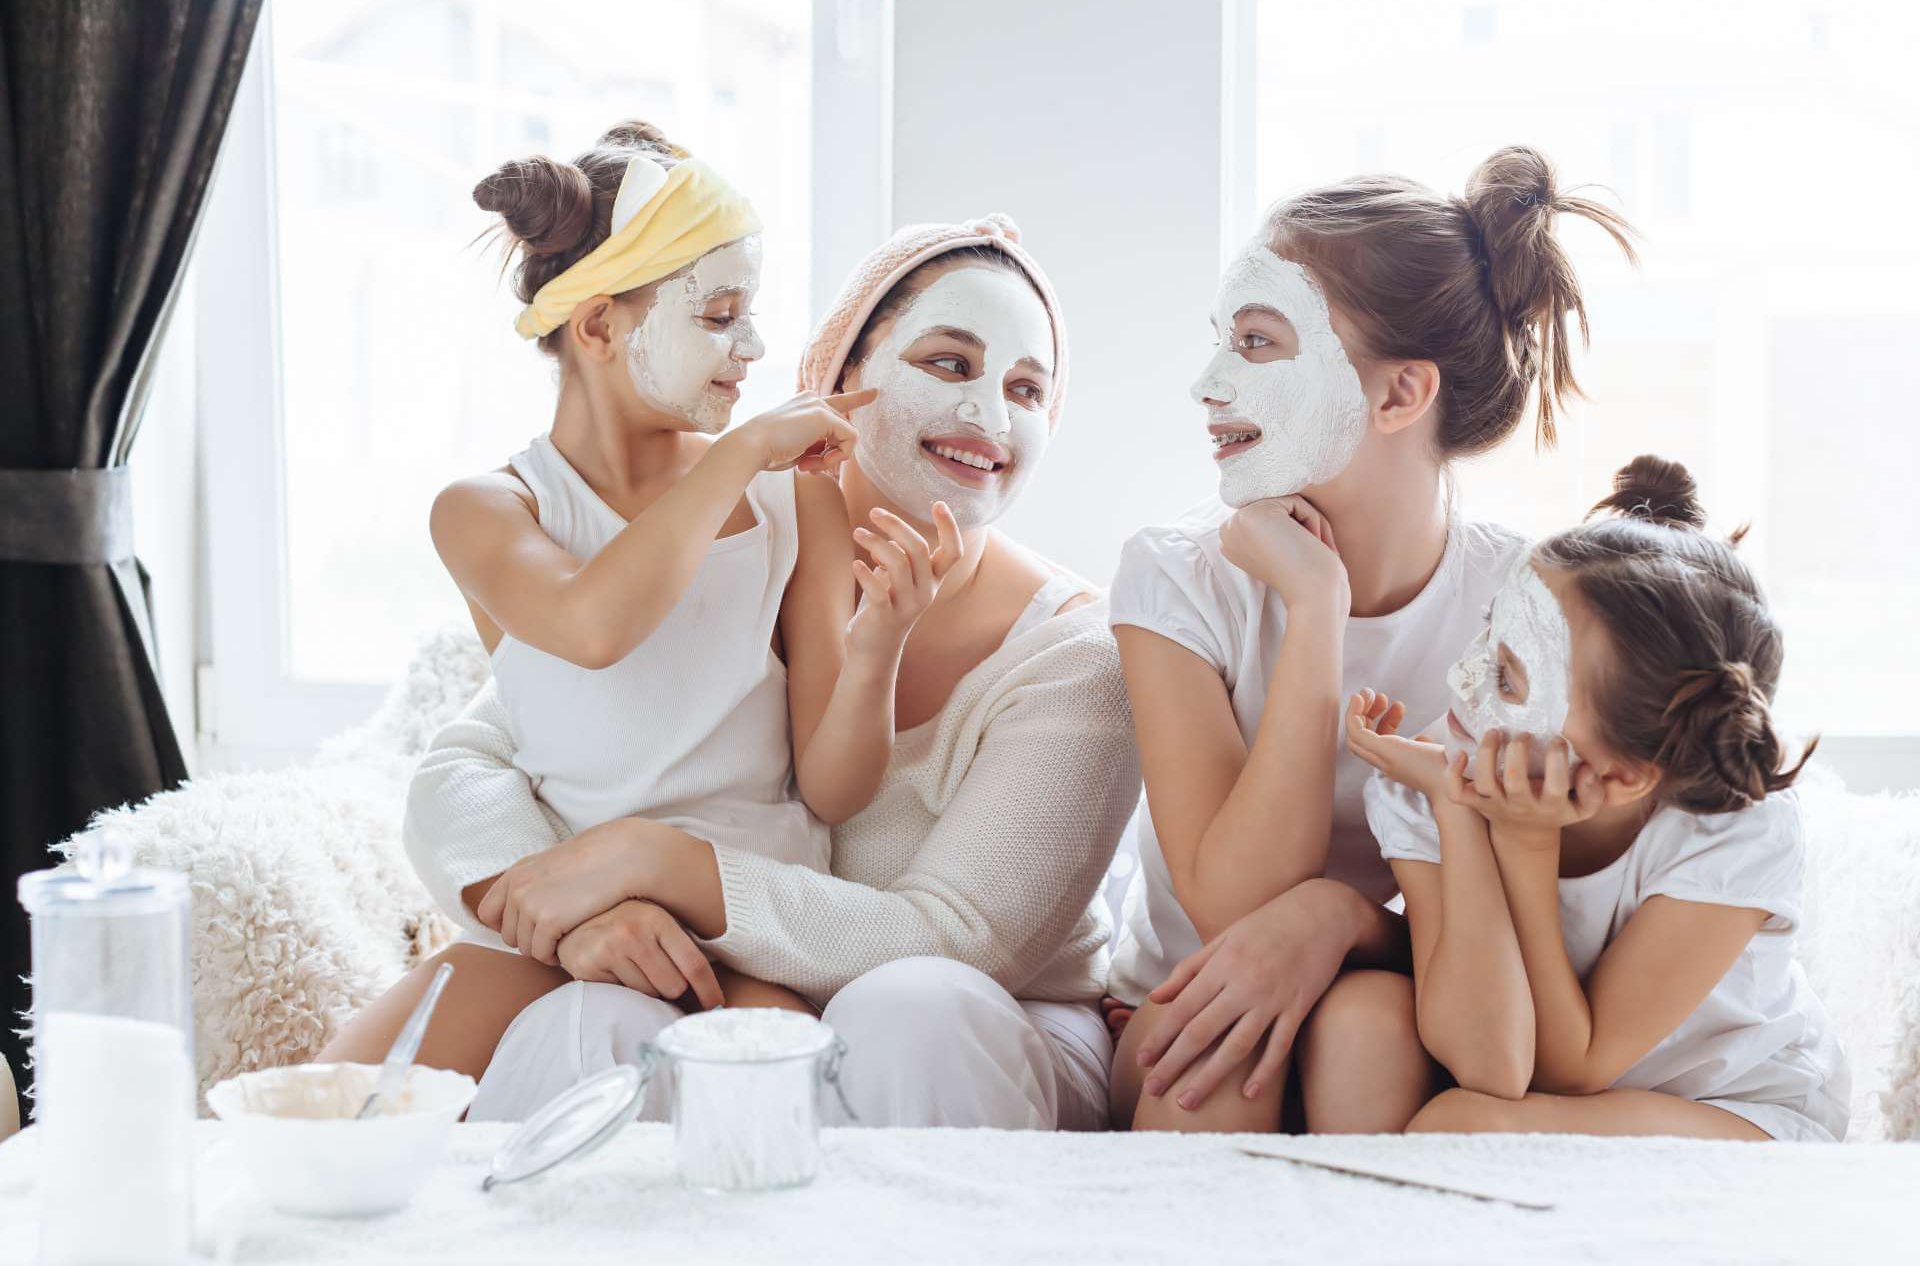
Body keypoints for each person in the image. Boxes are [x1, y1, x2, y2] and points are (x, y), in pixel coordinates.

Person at [405, 215, 1140, 1129]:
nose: (991, 417)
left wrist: (655, 861)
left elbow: (956, 942)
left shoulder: (1077, 656)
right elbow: (474, 760)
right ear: (833, 382)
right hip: (731, 996)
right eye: (950, 364)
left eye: (1030, 391)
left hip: (987, 1029)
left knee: (911, 1010)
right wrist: (575, 911)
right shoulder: (737, 548)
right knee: (594, 1019)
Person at [320, 119, 949, 1074]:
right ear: (601, 326)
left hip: (741, 921)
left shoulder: (793, 499)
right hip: (565, 915)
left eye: (751, 312)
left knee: (773, 1104)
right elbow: (594, 625)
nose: (753, 345)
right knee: (329, 1111)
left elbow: (834, 788)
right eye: (718, 314)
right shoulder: (489, 511)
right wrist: (741, 450)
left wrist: (881, 644)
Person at [1107, 146, 1637, 1133]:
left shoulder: (1530, 603)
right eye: (1221, 340)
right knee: (1226, 1056)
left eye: (1259, 345)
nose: (1210, 384)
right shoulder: (1176, 573)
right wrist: (1316, 608)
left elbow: (1538, 920)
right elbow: (1234, 901)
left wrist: (1339, 918)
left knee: (1367, 1020)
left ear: (1400, 396)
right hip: (1191, 1009)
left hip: (1418, 1015)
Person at [1345, 455, 1849, 1140]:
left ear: (1621, 776)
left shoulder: (1734, 833)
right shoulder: (1440, 772)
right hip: (1544, 1092)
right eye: (1487, 631)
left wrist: (1525, 845)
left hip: (1735, 1108)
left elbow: (1570, 1071)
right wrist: (1455, 808)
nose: (1462, 680)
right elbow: (1488, 1066)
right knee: (1405, 1069)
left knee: (1458, 1127)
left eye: (1509, 679)